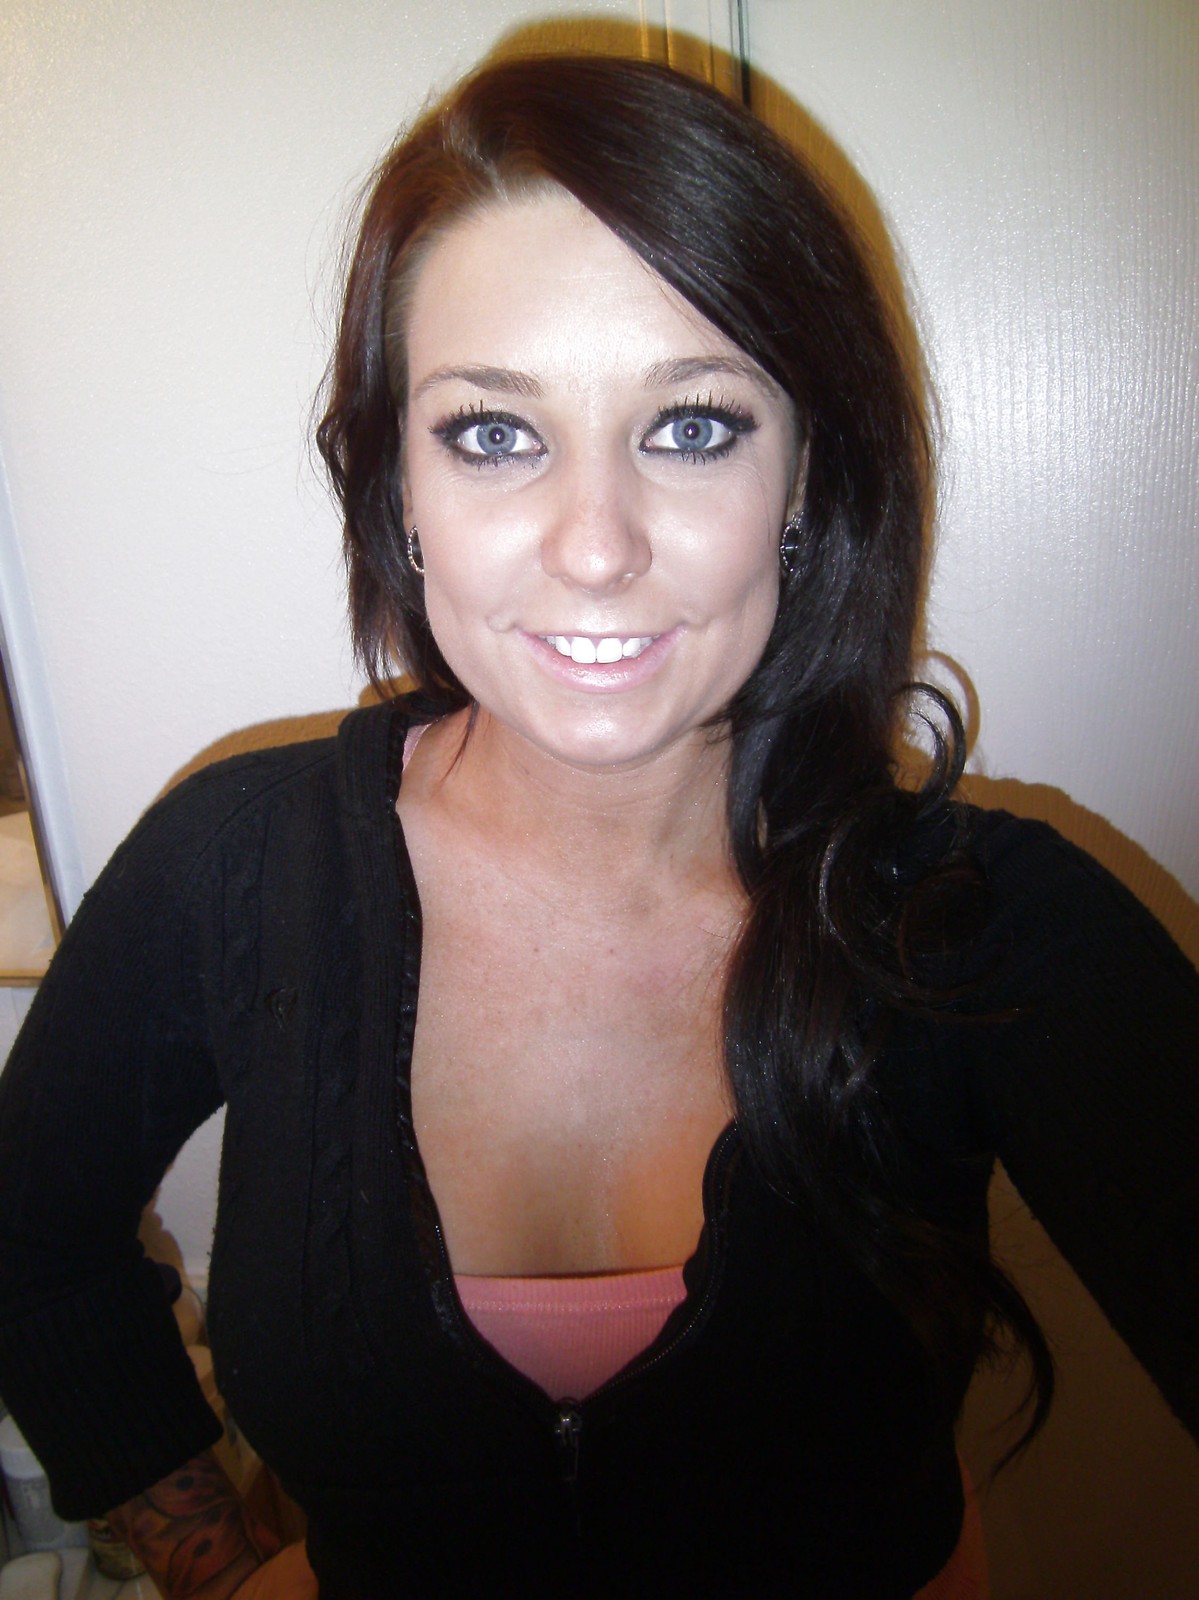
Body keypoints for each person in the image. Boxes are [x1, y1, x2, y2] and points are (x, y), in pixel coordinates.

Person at [0, 50, 1196, 1600]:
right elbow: (32, 1239)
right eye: (494, 434)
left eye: (692, 426)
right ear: (397, 485)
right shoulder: (234, 869)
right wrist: (216, 1572)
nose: (594, 547)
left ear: (807, 472)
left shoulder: (979, 921)